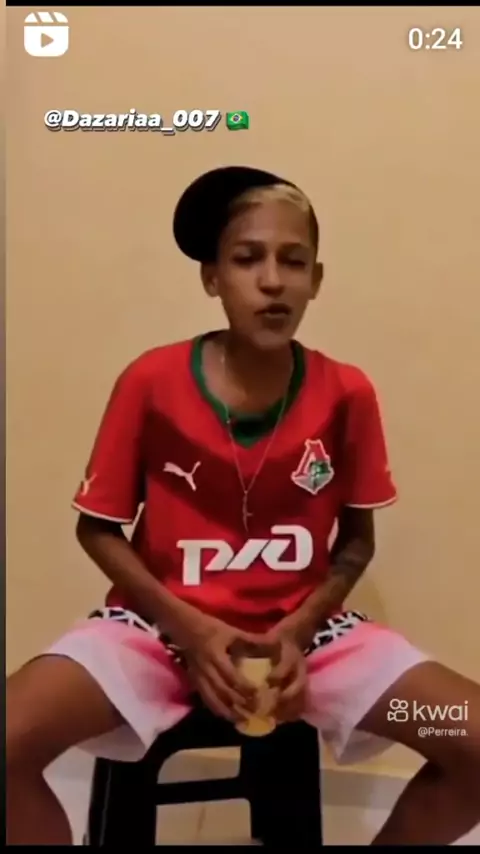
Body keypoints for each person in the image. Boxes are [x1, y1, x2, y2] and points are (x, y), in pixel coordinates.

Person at [7, 166, 480, 846]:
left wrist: (299, 628)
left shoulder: (346, 393)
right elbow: (99, 528)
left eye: (294, 261)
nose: (272, 280)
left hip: (312, 644)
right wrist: (190, 629)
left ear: (317, 279)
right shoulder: (151, 380)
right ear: (212, 277)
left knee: (469, 735)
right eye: (247, 258)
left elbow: (356, 542)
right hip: (152, 635)